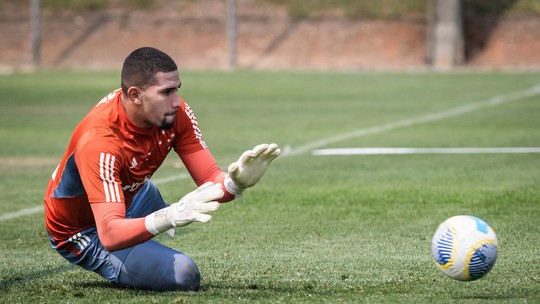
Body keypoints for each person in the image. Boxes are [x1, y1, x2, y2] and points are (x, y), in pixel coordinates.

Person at [43, 47, 280, 291]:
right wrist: (168, 216)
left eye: (177, 89)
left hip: (132, 196)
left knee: (146, 193)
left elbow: (210, 180)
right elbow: (110, 234)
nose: (177, 101)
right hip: (84, 230)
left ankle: (144, 220)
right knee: (184, 275)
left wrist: (234, 183)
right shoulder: (100, 142)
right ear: (135, 95)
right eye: (166, 92)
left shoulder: (174, 113)